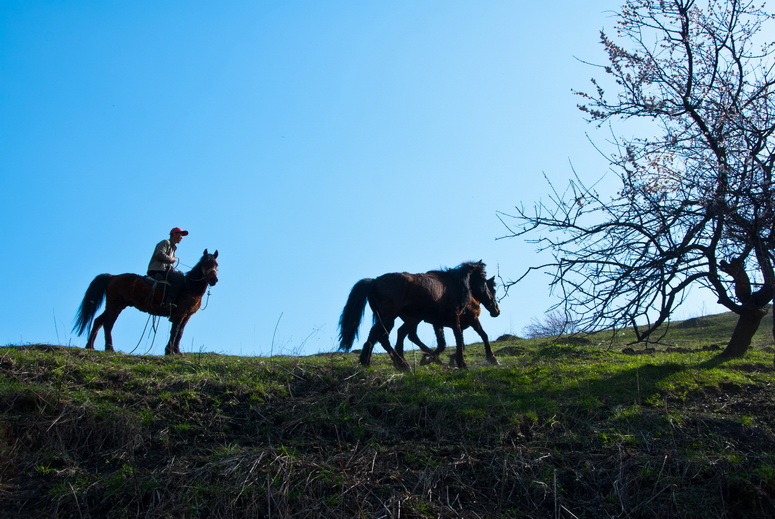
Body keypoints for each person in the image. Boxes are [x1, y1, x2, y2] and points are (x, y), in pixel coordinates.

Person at [147, 227, 188, 310]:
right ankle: (169, 302)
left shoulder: (173, 248)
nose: (182, 237)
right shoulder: (165, 242)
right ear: (174, 234)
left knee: (180, 274)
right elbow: (159, 254)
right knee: (179, 278)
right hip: (158, 269)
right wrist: (172, 259)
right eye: (180, 234)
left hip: (164, 270)